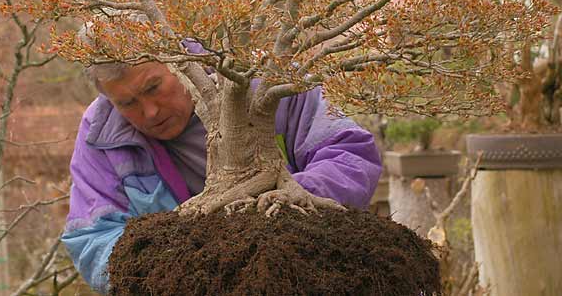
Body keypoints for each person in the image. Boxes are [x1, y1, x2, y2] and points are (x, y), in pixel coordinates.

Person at [61, 44, 382, 293]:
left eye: (153, 87)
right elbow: (92, 239)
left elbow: (349, 155)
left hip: (302, 275)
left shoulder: (268, 81)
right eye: (127, 103)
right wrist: (168, 265)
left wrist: (284, 212)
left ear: (181, 58)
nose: (150, 111)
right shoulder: (102, 133)